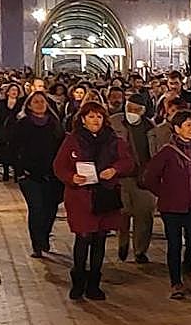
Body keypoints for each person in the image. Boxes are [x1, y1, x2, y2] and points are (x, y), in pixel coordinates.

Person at [53, 101, 134, 301]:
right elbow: (59, 166)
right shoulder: (72, 140)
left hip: (105, 196)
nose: (95, 120)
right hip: (81, 197)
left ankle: (94, 283)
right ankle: (78, 281)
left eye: (98, 116)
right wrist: (72, 178)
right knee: (83, 238)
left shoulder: (114, 140)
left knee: (99, 239)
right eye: (91, 116)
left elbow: (128, 161)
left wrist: (115, 169)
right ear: (82, 119)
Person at [142, 110, 191, 300]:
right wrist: (163, 192)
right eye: (188, 125)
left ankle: (188, 267)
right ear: (177, 128)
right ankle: (176, 282)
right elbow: (149, 177)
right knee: (174, 244)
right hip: (172, 207)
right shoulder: (167, 152)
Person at [11, 91, 66, 258]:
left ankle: (44, 237)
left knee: (50, 208)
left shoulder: (54, 124)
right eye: (35, 102)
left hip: (52, 174)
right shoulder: (23, 124)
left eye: (42, 101)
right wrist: (20, 170)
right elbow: (14, 148)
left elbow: (62, 146)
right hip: (30, 175)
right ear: (29, 105)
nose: (40, 104)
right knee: (36, 208)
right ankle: (37, 244)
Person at [108, 94, 156, 263]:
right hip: (120, 176)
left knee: (144, 215)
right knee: (123, 213)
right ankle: (122, 243)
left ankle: (140, 250)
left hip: (142, 178)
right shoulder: (114, 122)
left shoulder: (150, 127)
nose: (132, 112)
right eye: (130, 108)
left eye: (136, 110)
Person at [0, 82, 23, 181]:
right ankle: (6, 173)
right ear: (8, 92)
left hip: (16, 132)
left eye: (16, 90)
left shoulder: (21, 104)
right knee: (4, 153)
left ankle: (16, 174)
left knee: (15, 153)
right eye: (12, 90)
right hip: (4, 132)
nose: (14, 92)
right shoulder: (1, 103)